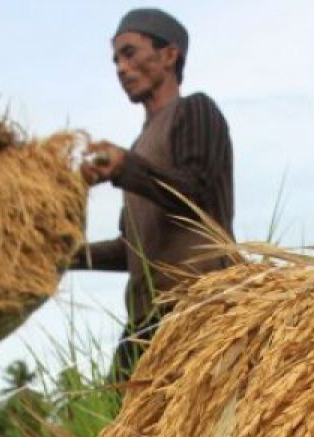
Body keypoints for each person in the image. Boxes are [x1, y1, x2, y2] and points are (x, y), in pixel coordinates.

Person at [73, 7, 235, 379]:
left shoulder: (195, 111)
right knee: (117, 423)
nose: (120, 68)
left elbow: (196, 191)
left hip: (201, 302)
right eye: (115, 60)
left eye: (129, 53)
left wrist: (124, 168)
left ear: (168, 54)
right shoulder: (139, 147)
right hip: (146, 320)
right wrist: (63, 258)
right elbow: (131, 250)